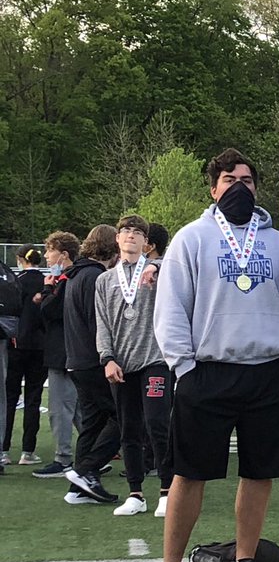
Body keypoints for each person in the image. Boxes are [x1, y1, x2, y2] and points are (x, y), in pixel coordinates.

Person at [142, 148, 279, 562]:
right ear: (213, 188)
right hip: (208, 373)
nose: (240, 188)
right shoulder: (191, 238)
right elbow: (170, 308)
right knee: (188, 473)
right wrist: (184, 367)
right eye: (230, 180)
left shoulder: (278, 243)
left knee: (259, 474)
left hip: (271, 373)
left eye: (248, 180)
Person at [93, 214, 173, 517]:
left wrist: (156, 265)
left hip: (155, 360)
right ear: (117, 238)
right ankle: (136, 494)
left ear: (146, 242)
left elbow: (177, 268)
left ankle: (167, 491)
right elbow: (101, 323)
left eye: (137, 232)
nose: (130, 236)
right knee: (129, 430)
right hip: (121, 364)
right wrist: (107, 358)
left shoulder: (157, 271)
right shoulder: (104, 280)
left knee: (158, 424)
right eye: (125, 231)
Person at [63, 225, 122, 505]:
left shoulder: (76, 275)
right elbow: (99, 322)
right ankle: (85, 471)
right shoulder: (95, 277)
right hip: (93, 360)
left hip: (76, 360)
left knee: (93, 422)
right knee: (123, 417)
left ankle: (79, 487)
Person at [32, 232, 81, 479]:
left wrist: (47, 290)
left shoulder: (66, 279)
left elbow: (52, 310)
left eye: (50, 251)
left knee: (59, 408)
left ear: (63, 254)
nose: (46, 256)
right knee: (80, 408)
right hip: (73, 351)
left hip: (62, 352)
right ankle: (94, 454)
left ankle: (63, 459)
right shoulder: (77, 277)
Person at [4, 247, 48, 468]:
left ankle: (3, 449)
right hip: (40, 346)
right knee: (33, 398)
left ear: (20, 260)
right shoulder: (47, 281)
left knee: (9, 398)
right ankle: (27, 450)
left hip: (16, 344)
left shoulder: (15, 281)